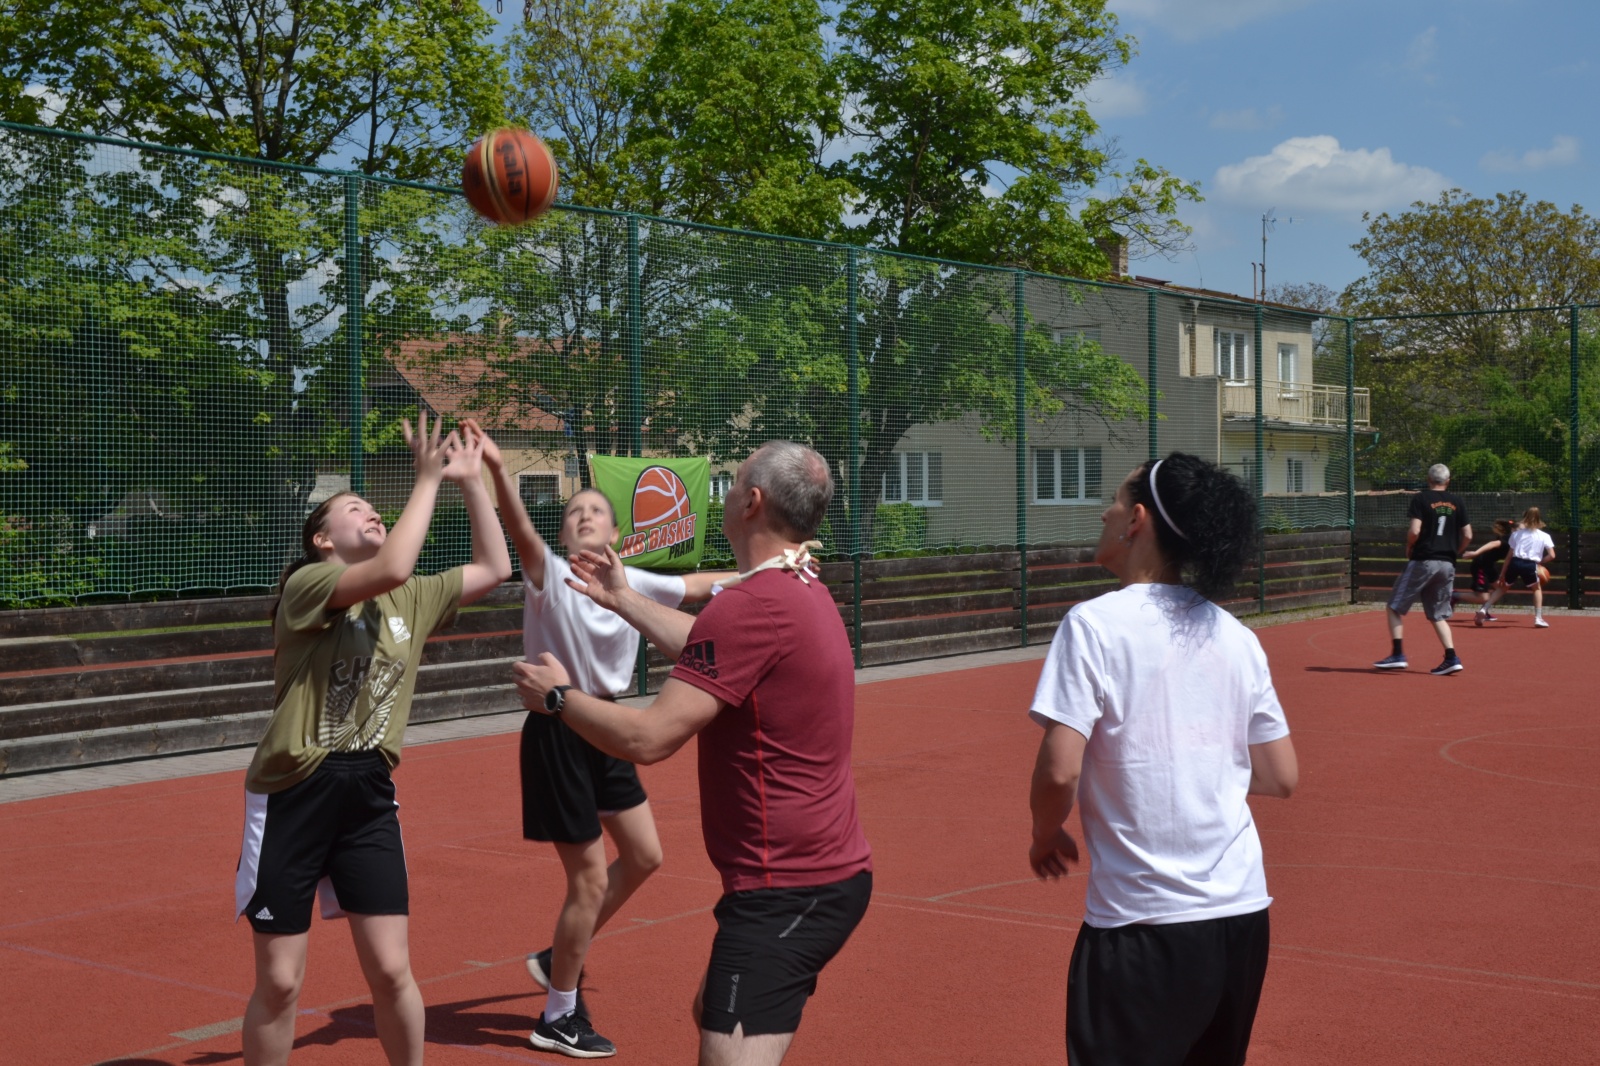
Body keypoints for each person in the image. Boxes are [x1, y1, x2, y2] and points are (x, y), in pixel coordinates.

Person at [512, 441, 872, 1066]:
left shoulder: (752, 605)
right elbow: (714, 642)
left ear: (751, 502)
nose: (724, 495)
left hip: (785, 887)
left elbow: (649, 738)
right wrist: (622, 598)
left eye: (731, 484)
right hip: (816, 876)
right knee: (711, 1010)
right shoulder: (795, 586)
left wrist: (559, 698)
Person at [235, 413, 513, 1066]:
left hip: (367, 792)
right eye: (353, 507)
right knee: (281, 981)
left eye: (372, 507)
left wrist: (471, 481)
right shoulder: (308, 584)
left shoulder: (411, 595)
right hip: (293, 791)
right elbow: (391, 566)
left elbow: (496, 566)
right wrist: (426, 479)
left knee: (391, 971)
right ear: (322, 539)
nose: (370, 512)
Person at [467, 420, 730, 1059]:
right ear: (563, 535)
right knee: (586, 881)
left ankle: (558, 954)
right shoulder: (548, 575)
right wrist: (497, 468)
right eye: (574, 511)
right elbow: (519, 530)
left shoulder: (632, 580)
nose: (584, 515)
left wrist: (779, 566)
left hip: (606, 727)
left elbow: (704, 585)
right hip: (558, 729)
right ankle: (558, 1016)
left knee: (644, 856)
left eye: (595, 511)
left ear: (615, 533)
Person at [1027, 452, 1299, 1066]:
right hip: (1240, 915)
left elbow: (1060, 769)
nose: (1104, 512)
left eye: (1116, 501)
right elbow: (1281, 776)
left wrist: (1045, 834)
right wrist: (1198, 767)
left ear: (1137, 520)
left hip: (1143, 922)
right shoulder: (1235, 635)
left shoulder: (1094, 625)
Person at [1374, 463, 1471, 675]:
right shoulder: (1458, 502)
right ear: (1448, 481)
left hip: (1425, 559)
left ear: (1428, 479)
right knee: (1438, 614)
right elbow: (1468, 535)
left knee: (1393, 607)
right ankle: (1451, 657)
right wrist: (1454, 552)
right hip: (1447, 563)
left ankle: (1397, 654)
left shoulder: (1421, 499)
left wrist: (1410, 546)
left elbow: (1415, 531)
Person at [1485, 506, 1557, 628]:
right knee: (1537, 589)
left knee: (1502, 588)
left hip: (1515, 562)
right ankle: (1538, 618)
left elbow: (1509, 556)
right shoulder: (1544, 536)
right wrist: (1540, 562)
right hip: (1530, 564)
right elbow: (1552, 555)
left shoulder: (1516, 534)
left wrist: (1502, 573)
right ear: (1539, 518)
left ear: (1525, 518)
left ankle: (1483, 609)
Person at [1460, 518, 1512, 625]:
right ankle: (1453, 595)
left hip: (1489, 566)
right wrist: (1476, 552)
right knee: (1483, 597)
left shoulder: (1514, 540)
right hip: (1481, 565)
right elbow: (1493, 543)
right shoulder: (1507, 539)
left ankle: (1483, 611)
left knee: (1501, 588)